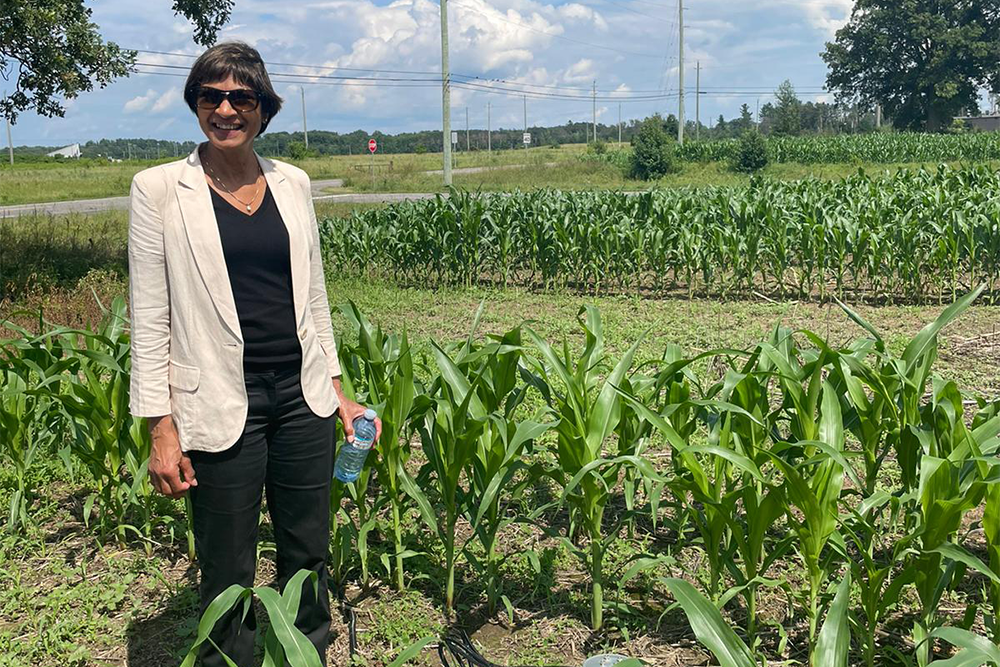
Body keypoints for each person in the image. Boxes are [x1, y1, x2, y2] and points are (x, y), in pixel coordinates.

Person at [126, 41, 380, 666]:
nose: (226, 109)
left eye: (241, 97)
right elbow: (150, 318)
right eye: (211, 96)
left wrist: (339, 390)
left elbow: (314, 296)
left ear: (263, 108)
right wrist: (161, 427)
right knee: (228, 564)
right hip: (215, 397)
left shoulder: (293, 182)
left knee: (308, 551)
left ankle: (304, 653)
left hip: (302, 398)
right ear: (196, 105)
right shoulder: (159, 189)